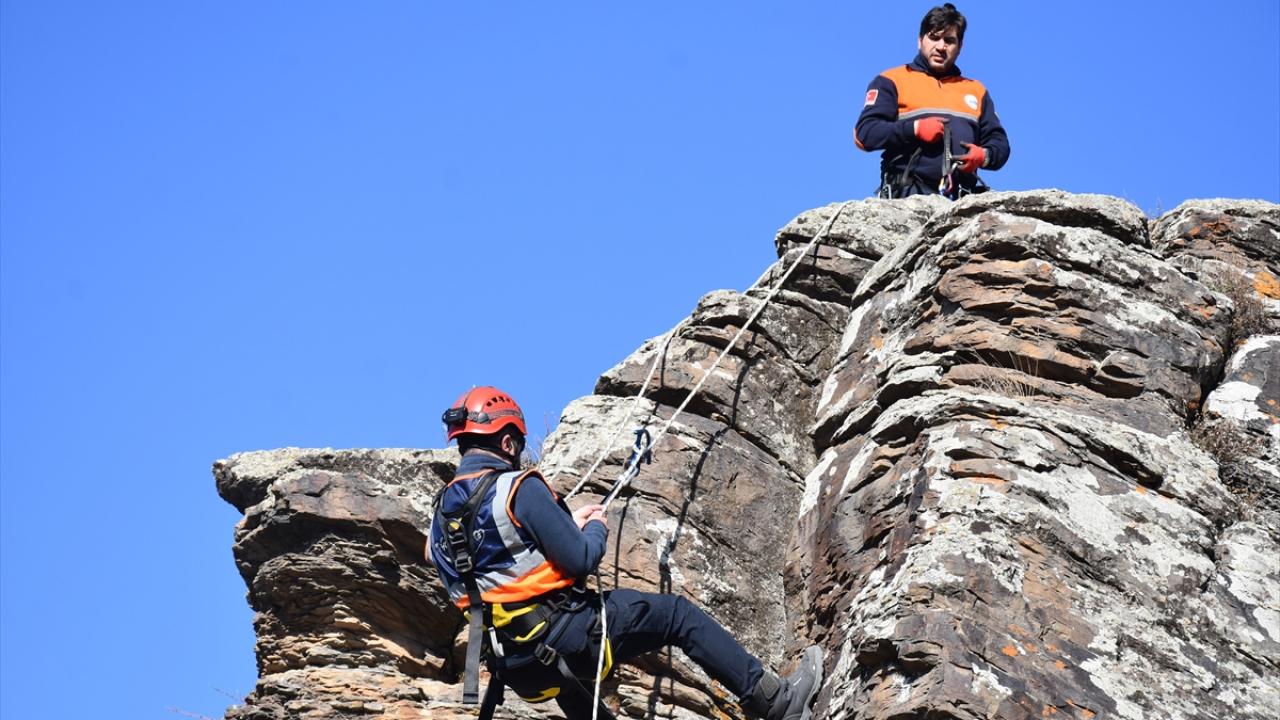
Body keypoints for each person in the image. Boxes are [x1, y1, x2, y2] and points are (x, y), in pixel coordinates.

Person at [427, 386, 823, 720]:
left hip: (514, 665)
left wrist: (562, 526)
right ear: (508, 442)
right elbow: (582, 559)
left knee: (572, 687)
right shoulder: (519, 487)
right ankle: (777, 703)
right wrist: (595, 527)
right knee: (676, 617)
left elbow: (462, 558)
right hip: (568, 638)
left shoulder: (441, 512)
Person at [855, 3, 1010, 199]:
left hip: (962, 201)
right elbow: (864, 134)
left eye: (949, 40)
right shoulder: (892, 80)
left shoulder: (976, 90)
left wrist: (984, 156)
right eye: (934, 38)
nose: (941, 47)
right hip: (906, 197)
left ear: (960, 47)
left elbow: (1000, 144)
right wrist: (914, 129)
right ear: (920, 40)